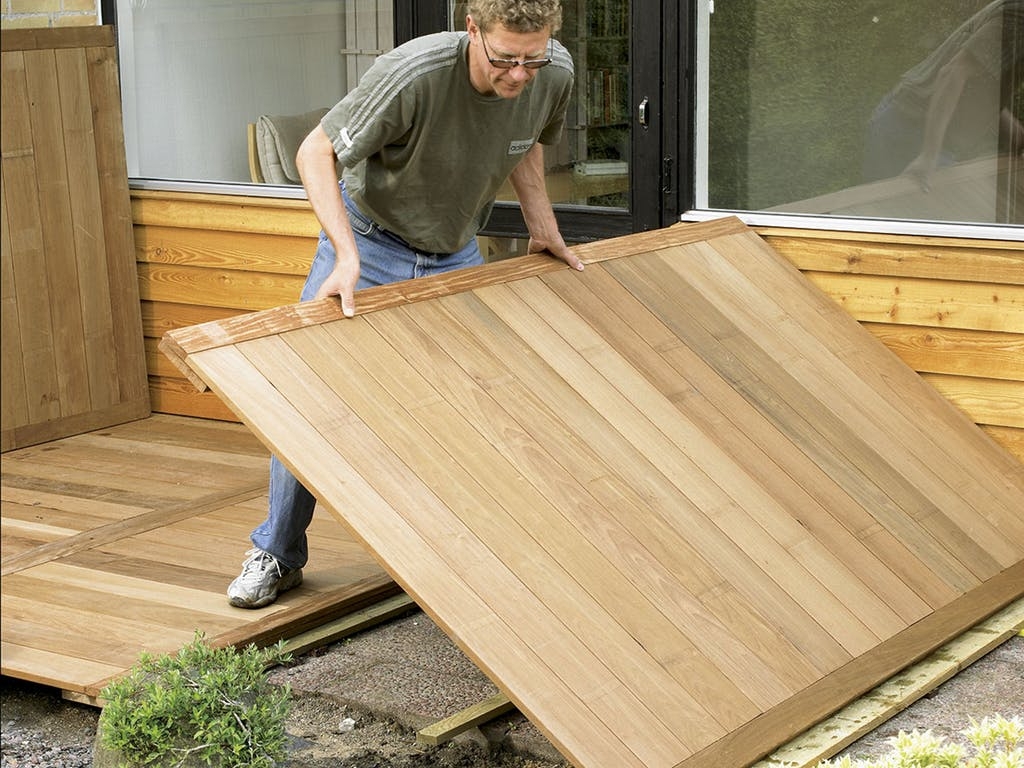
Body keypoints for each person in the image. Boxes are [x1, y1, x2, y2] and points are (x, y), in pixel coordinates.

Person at [228, 0, 583, 608]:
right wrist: (345, 256)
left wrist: (542, 227)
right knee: (311, 400)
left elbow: (525, 144)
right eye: (505, 59)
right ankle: (278, 553)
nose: (519, 75)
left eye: (532, 59)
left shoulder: (555, 72)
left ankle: (456, 556)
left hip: (455, 251)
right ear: (472, 30)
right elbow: (315, 152)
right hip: (371, 245)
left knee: (471, 404)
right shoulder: (414, 73)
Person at [863, 0, 1024, 189]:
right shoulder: (1020, 17)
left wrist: (1012, 130)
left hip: (911, 124)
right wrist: (928, 156)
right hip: (911, 127)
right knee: (894, 204)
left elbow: (978, 83)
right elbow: (952, 73)